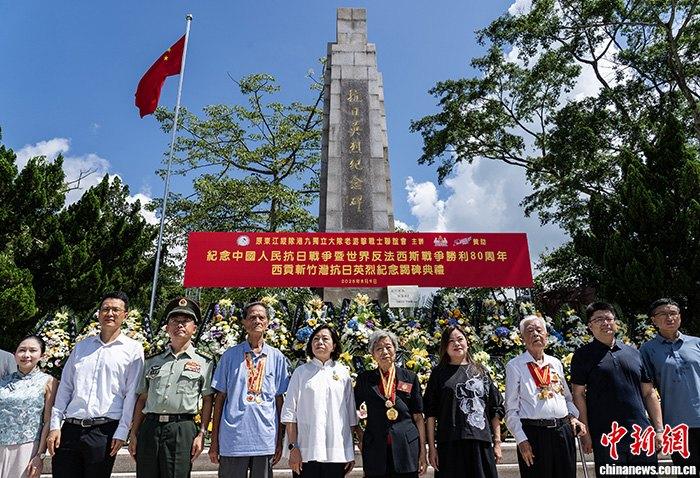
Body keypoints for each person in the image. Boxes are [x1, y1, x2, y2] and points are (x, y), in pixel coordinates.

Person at [48, 291, 145, 478]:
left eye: (116, 310)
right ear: (99, 314)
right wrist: (55, 425)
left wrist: (122, 431)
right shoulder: (82, 347)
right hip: (70, 428)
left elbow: (131, 393)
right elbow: (66, 387)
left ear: (125, 315)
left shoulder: (133, 349)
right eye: (105, 309)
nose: (110, 313)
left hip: (104, 431)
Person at [571, 301, 663, 477]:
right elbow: (578, 394)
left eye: (609, 318)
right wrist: (586, 434)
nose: (605, 323)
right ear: (589, 326)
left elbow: (649, 393)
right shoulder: (582, 356)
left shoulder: (634, 352)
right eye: (599, 319)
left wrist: (659, 430)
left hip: (640, 433)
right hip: (606, 436)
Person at [128, 297, 214, 478]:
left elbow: (207, 400)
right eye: (174, 321)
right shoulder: (152, 360)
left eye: (186, 321)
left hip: (181, 429)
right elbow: (142, 398)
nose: (180, 325)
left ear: (194, 328)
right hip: (150, 427)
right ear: (167, 328)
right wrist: (134, 433)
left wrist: (202, 434)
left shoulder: (204, 362)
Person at [209, 301, 290, 478]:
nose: (257, 321)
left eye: (261, 317)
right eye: (252, 317)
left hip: (264, 439)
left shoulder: (277, 357)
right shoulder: (230, 355)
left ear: (267, 323)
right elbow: (220, 399)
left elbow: (279, 401)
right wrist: (214, 441)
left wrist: (279, 440)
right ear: (244, 323)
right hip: (233, 439)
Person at [505, 315, 586, 478]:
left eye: (539, 330)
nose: (535, 334)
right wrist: (521, 439)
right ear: (522, 338)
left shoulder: (555, 363)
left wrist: (573, 417)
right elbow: (511, 409)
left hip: (562, 432)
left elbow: (567, 398)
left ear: (546, 335)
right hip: (534, 434)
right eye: (530, 331)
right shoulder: (515, 366)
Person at [424, 325, 504, 478]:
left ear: (467, 342)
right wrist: (432, 448)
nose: (456, 343)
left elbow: (495, 408)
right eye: (451, 341)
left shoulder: (481, 372)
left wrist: (497, 442)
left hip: (479, 441)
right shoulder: (438, 373)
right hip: (449, 443)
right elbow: (430, 412)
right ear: (445, 346)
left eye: (460, 339)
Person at [281, 324, 357, 478]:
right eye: (316, 339)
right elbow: (290, 414)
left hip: (336, 452)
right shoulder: (301, 372)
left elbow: (350, 415)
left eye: (325, 339)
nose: (320, 342)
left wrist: (349, 452)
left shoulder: (343, 373)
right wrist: (293, 448)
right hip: (305, 450)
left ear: (334, 346)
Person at [354, 329, 427, 478]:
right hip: (375, 449)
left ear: (395, 349)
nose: (384, 352)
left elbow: (418, 417)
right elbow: (351, 410)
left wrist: (422, 452)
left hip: (406, 449)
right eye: (379, 349)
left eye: (388, 347)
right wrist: (361, 436)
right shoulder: (365, 379)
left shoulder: (410, 377)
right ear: (373, 354)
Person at [640, 298, 700, 474]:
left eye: (673, 313)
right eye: (663, 314)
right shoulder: (647, 350)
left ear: (680, 316)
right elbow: (648, 392)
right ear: (654, 320)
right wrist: (658, 428)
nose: (669, 318)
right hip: (675, 426)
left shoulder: (696, 343)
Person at [0, 335, 58, 478]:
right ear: (15, 354)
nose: (26, 355)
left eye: (32, 350)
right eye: (22, 350)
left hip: (27, 447)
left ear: (41, 355)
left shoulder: (48, 381)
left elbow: (48, 420)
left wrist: (40, 455)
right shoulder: (3, 381)